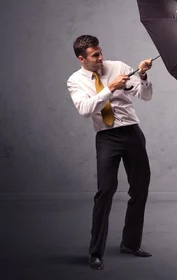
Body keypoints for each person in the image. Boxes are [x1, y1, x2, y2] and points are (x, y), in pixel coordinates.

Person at [67, 35, 154, 270]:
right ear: (81, 59)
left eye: (101, 52)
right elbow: (85, 110)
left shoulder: (120, 67)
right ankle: (95, 253)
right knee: (105, 192)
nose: (101, 57)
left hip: (132, 134)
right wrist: (110, 88)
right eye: (95, 55)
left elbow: (145, 96)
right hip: (107, 137)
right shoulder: (75, 81)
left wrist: (143, 76)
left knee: (140, 189)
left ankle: (130, 244)